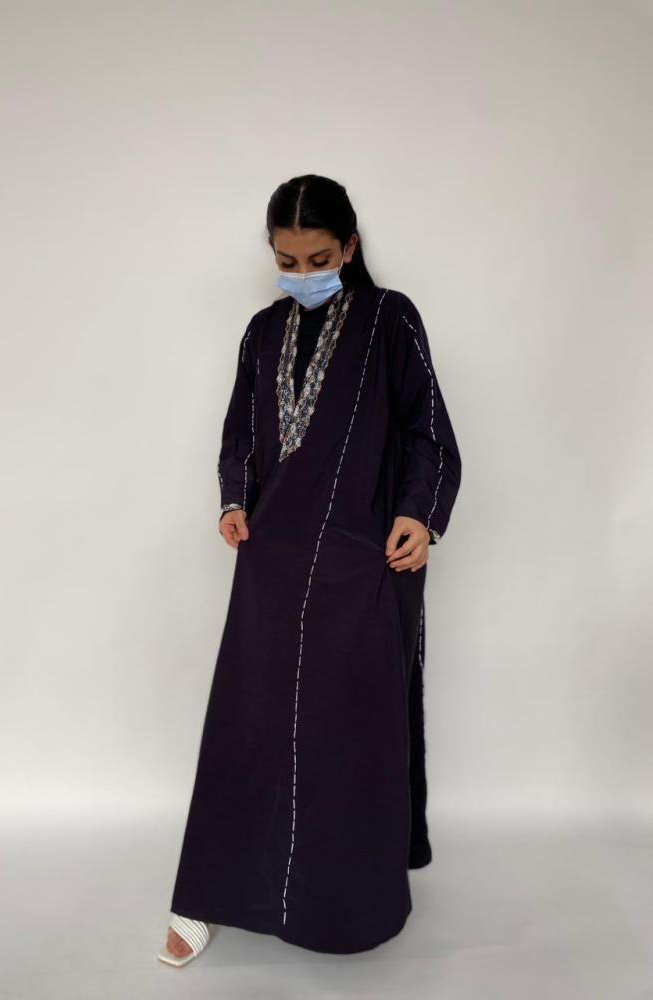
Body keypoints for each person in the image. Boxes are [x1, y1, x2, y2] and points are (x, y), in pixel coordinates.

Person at [158, 174, 462, 966]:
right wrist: (233, 500)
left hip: (365, 559)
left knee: (350, 731)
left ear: (349, 248)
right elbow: (239, 433)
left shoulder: (390, 319)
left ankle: (346, 902)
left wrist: (420, 514)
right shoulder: (263, 332)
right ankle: (211, 894)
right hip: (274, 560)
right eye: (287, 261)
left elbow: (427, 429)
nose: (303, 274)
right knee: (247, 721)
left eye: (319, 259)